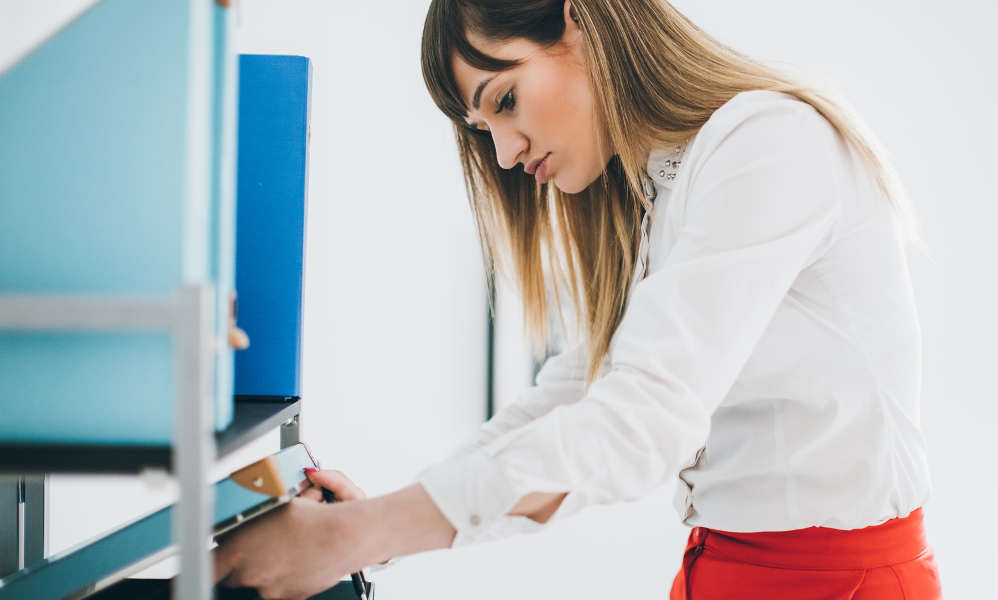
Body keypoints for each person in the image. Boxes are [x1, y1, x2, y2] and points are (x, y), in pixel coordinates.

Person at [213, 1, 944, 598]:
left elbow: (638, 427)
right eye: (483, 129)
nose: (503, 154)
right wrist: (374, 519)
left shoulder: (769, 142)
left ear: (580, 22)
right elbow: (573, 396)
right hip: (720, 573)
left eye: (503, 100)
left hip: (837, 584)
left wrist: (356, 537)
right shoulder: (661, 191)